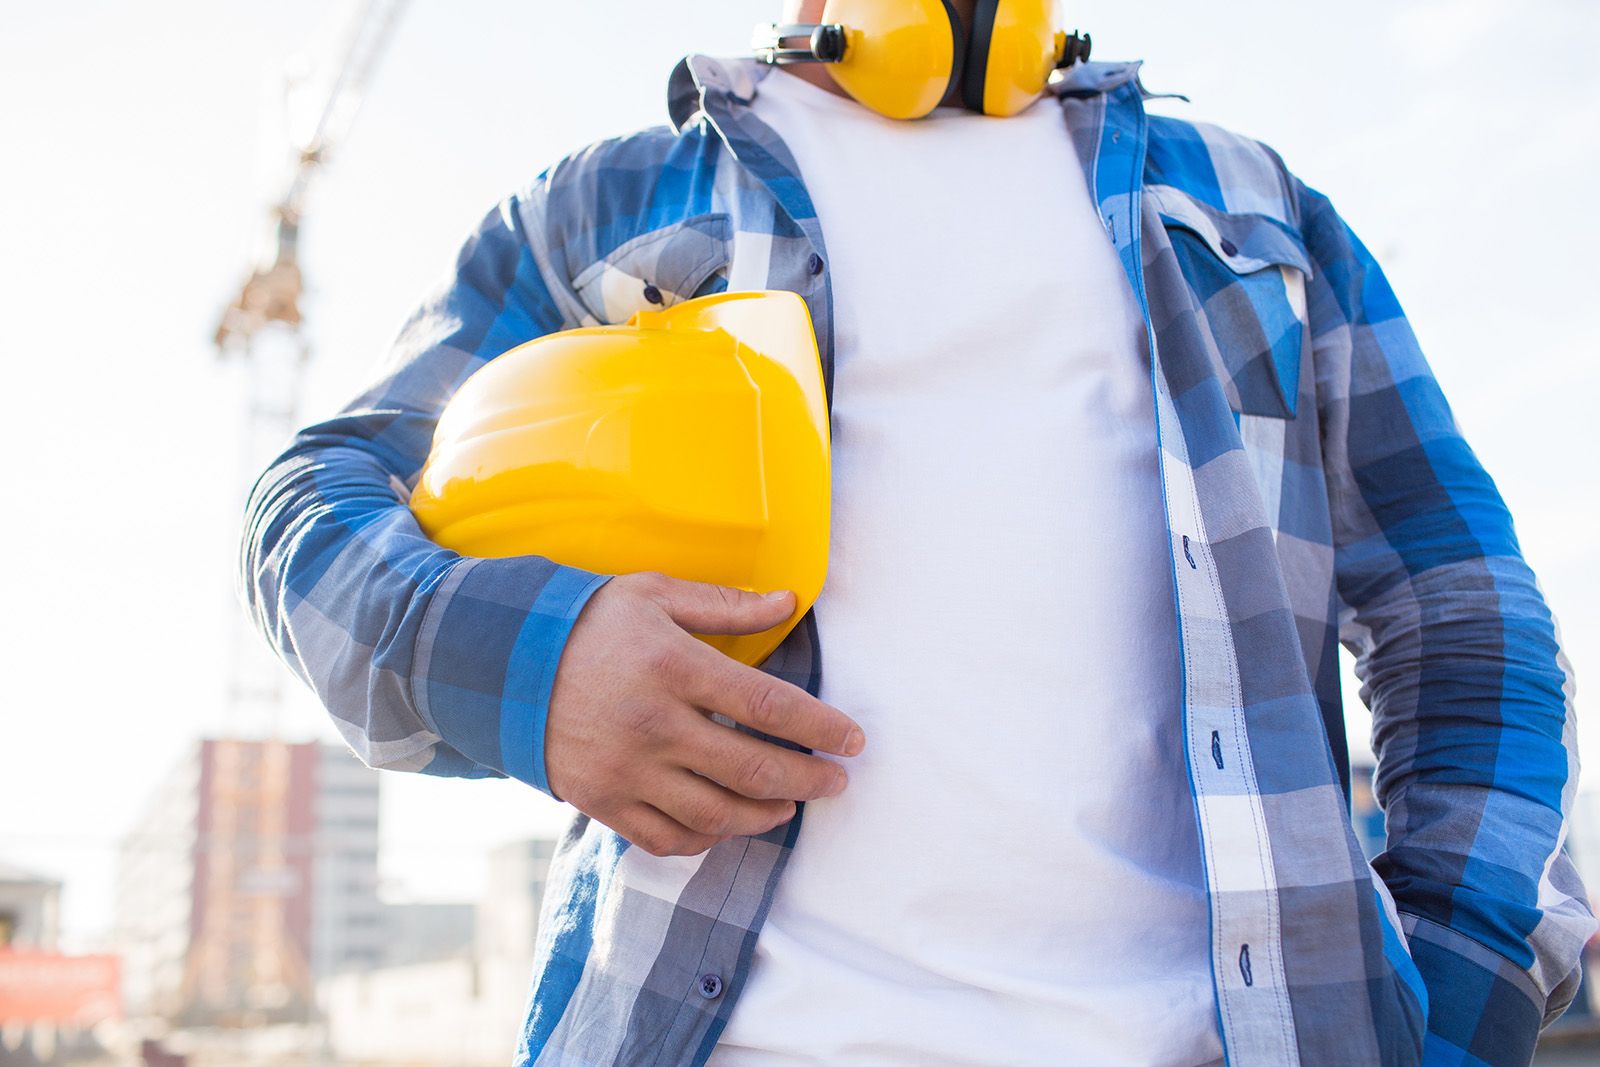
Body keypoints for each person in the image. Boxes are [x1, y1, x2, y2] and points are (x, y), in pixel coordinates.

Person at [238, 2, 1594, 1064]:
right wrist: (536, 671)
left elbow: (1467, 616)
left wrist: (1464, 996)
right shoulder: (603, 207)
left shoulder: (1262, 220)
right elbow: (312, 505)